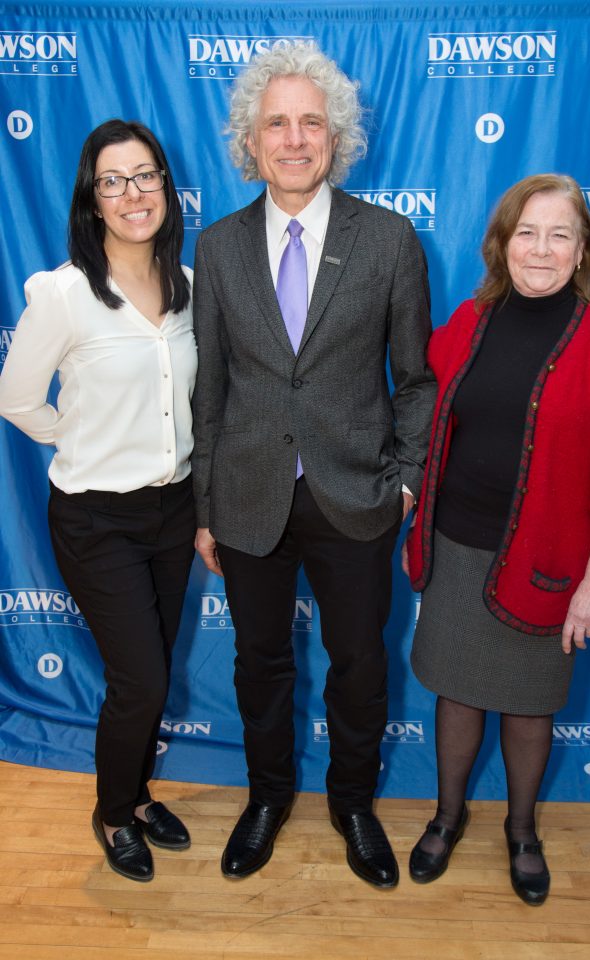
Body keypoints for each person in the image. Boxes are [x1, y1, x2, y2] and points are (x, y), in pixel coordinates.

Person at [192, 42, 435, 888]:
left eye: (310, 122)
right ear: (250, 143)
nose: (294, 139)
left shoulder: (391, 238)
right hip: (250, 495)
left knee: (360, 663)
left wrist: (405, 478)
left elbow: (415, 379)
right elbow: (210, 390)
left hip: (356, 494)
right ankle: (267, 798)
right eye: (276, 124)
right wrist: (204, 506)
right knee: (259, 661)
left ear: (335, 136)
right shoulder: (217, 247)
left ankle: (355, 804)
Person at [404, 173, 590, 905]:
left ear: (583, 251)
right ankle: (446, 819)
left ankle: (523, 830)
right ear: (503, 245)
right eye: (527, 233)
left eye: (559, 234)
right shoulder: (468, 323)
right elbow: (422, 411)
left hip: (548, 563)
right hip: (455, 550)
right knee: (456, 695)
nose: (541, 249)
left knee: (531, 706)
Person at [0, 119, 197, 882]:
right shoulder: (63, 293)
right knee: (140, 678)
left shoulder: (188, 285)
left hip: (174, 511)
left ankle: (139, 794)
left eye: (144, 175)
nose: (131, 193)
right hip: (95, 518)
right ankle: (113, 811)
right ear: (92, 199)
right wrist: (75, 437)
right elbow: (16, 398)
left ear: (165, 187)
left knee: (153, 670)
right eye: (112, 181)